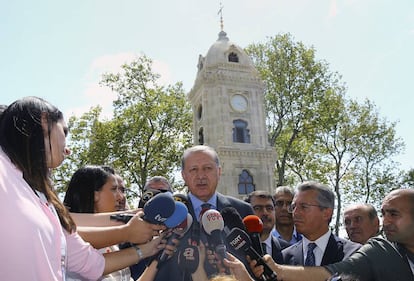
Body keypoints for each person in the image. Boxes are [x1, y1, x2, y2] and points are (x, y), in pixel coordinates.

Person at [0, 97, 164, 280]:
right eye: (64, 131)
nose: (68, 150)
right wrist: (127, 230)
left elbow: (89, 262)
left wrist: (150, 247)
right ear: (45, 122)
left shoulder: (42, 200)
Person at [249, 188, 414, 281]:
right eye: (384, 214)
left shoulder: (351, 248)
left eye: (393, 214)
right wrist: (279, 270)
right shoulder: (379, 252)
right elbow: (332, 271)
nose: (386, 222)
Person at [153, 145, 254, 281]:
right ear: (184, 175)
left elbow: (253, 264)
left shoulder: (242, 211)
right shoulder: (170, 212)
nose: (201, 176)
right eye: (194, 169)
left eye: (207, 168)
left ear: (219, 172)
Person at [282, 181, 361, 266]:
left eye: (304, 207)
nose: (295, 213)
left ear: (326, 213)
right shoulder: (285, 257)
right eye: (293, 207)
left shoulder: (352, 254)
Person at [245, 190, 290, 263]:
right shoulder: (238, 250)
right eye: (257, 208)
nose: (265, 213)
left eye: (269, 208)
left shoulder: (288, 250)